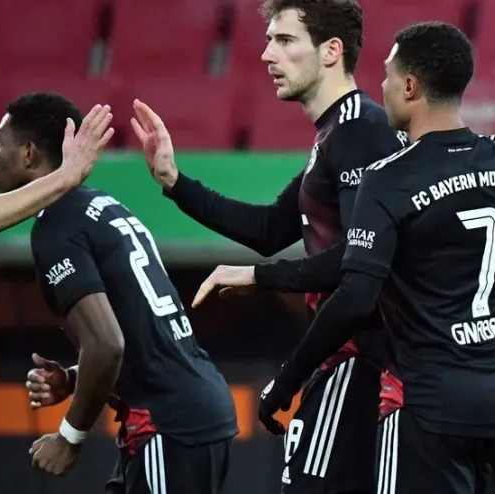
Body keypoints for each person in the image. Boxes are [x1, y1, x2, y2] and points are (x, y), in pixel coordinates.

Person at [195, 16, 495, 493]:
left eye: (387, 75)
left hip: (425, 405)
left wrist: (287, 381)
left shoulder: (389, 179)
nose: (380, 87)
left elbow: (355, 297)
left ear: (410, 86)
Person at [130, 0, 407, 491]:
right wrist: (174, 182)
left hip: (363, 357)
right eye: (268, 41)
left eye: (284, 41)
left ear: (331, 51)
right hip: (351, 356)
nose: (266, 55)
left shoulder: (361, 131)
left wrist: (259, 278)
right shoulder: (338, 132)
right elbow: (270, 229)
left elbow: (360, 260)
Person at [5, 92, 238, 493]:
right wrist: (74, 378)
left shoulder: (55, 226)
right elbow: (136, 333)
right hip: (190, 409)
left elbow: (107, 344)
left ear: (28, 153)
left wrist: (69, 437)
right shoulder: (102, 204)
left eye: (0, 144)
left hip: (169, 423)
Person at [0, 103, 112, 248]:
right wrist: (64, 177)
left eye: (0, 143)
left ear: (29, 153)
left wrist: (65, 177)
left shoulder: (57, 231)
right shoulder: (103, 208)